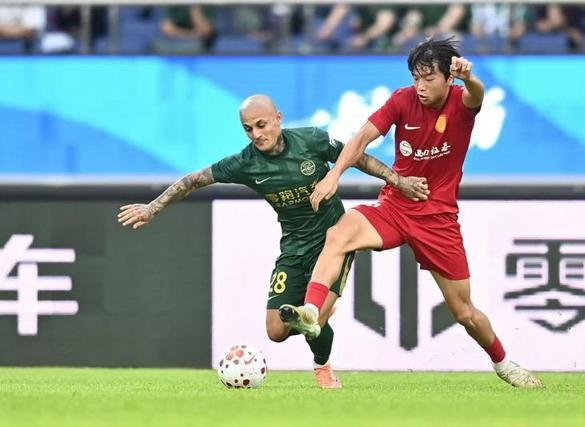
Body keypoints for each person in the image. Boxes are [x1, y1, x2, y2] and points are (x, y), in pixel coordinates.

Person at [280, 38, 544, 388]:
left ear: (449, 77)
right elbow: (361, 139)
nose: (420, 86)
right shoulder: (402, 100)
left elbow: (476, 95)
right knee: (339, 233)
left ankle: (505, 365)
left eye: (428, 78)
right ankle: (311, 312)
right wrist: (334, 175)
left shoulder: (461, 101)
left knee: (464, 312)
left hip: (437, 220)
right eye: (416, 77)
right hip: (394, 207)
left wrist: (470, 78)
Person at [117, 94, 428, 389]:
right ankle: (315, 314)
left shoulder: (311, 140)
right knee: (276, 331)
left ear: (278, 119)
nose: (256, 134)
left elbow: (357, 157)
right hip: (293, 248)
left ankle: (322, 366)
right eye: (248, 129)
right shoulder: (245, 163)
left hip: (334, 243)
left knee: (314, 322)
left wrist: (398, 181)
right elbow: (195, 179)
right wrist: (152, 208)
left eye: (261, 125)